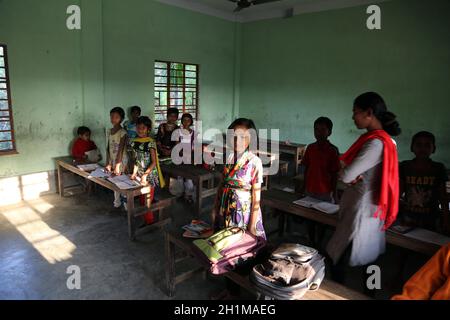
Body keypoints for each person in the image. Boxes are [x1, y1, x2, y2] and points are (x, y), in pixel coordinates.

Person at [325, 92, 401, 295]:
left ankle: (339, 293)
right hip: (372, 207)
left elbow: (347, 174)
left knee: (337, 256)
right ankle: (370, 294)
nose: (353, 117)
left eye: (355, 112)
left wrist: (346, 172)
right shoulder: (385, 141)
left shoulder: (375, 143)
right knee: (371, 257)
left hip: (362, 208)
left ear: (369, 113)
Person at [211, 118, 266, 300]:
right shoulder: (227, 157)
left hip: (245, 214)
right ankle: (231, 290)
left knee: (243, 252)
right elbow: (221, 185)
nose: (237, 140)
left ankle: (242, 290)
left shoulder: (254, 162)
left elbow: (256, 197)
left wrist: (251, 226)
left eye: (243, 136)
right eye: (233, 136)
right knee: (226, 250)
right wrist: (215, 208)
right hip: (227, 211)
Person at [398, 131, 449, 233]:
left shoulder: (438, 168)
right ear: (412, 148)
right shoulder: (405, 166)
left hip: (431, 219)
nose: (422, 148)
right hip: (408, 217)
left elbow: (443, 197)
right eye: (418, 144)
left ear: (433, 149)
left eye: (427, 145)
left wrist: (447, 220)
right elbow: (398, 192)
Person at [301, 116, 340, 246]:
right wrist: (303, 187)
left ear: (330, 132)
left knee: (322, 219)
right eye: (316, 129)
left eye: (323, 130)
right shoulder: (310, 148)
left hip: (324, 191)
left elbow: (335, 174)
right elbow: (306, 169)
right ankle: (311, 241)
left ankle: (319, 242)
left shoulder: (333, 150)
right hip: (310, 189)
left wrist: (334, 193)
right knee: (309, 217)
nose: (319, 133)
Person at [130, 116, 166, 225]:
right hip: (140, 175)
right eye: (138, 127)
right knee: (141, 198)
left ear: (148, 129)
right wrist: (134, 173)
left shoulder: (150, 142)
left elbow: (154, 162)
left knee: (147, 200)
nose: (140, 130)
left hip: (149, 175)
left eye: (143, 128)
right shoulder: (135, 142)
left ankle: (149, 222)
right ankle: (146, 218)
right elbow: (137, 160)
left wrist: (145, 175)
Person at [105, 107, 128, 209]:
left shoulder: (123, 132)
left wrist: (118, 165)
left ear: (121, 119)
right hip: (112, 159)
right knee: (115, 181)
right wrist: (108, 162)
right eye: (112, 117)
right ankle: (117, 202)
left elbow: (121, 150)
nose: (113, 119)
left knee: (122, 181)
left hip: (121, 160)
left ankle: (126, 204)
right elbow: (108, 147)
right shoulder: (109, 131)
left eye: (116, 117)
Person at [174, 113, 197, 203]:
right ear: (182, 121)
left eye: (188, 120)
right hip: (180, 156)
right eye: (184, 120)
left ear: (191, 122)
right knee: (180, 176)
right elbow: (177, 145)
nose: (186, 122)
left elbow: (195, 147)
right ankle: (182, 194)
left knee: (189, 177)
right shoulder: (178, 132)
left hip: (189, 157)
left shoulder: (194, 133)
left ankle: (189, 195)